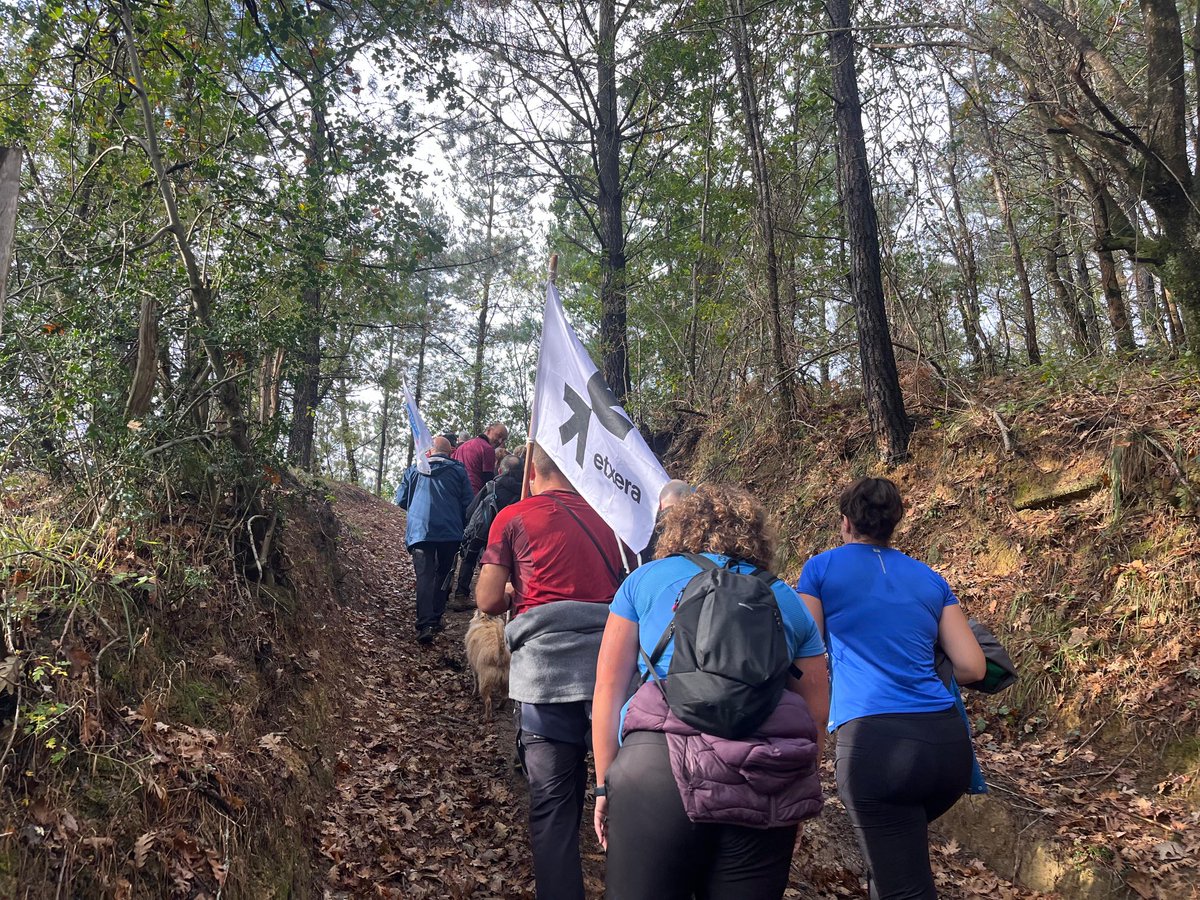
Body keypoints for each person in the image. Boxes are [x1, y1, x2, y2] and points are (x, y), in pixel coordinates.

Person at [592, 484, 830, 900]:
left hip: (655, 768)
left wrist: (603, 784)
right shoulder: (786, 599)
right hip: (761, 778)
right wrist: (793, 796)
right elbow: (815, 716)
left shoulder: (644, 580)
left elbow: (608, 689)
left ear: (679, 528)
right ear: (757, 537)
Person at [796, 477, 985, 900]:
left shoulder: (821, 569)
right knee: (893, 866)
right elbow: (972, 667)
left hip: (876, 746)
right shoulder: (929, 578)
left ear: (846, 522)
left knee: (903, 885)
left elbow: (805, 651)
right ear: (895, 522)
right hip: (947, 747)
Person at [476, 444, 624, 900]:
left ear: (532, 473)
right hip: (611, 673)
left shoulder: (513, 517)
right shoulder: (613, 520)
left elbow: (487, 601)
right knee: (625, 801)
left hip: (545, 676)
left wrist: (510, 589)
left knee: (554, 807)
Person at [395, 435, 475, 644]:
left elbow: (401, 500)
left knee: (424, 577)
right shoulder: (458, 471)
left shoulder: (414, 470)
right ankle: (436, 617)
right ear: (450, 453)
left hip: (420, 532)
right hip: (450, 532)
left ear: (429, 452)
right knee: (443, 574)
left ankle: (424, 624)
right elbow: (468, 503)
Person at [449, 451, 524, 608]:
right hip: (512, 537)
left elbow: (471, 510)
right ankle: (508, 597)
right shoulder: (525, 493)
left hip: (484, 533)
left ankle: (461, 595)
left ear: (500, 470)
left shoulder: (492, 486)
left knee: (470, 557)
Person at [453, 422, 509, 495]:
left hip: (456, 491)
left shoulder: (462, 447)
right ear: (489, 430)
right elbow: (488, 481)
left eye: (503, 439)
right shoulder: (487, 449)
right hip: (473, 494)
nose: (500, 441)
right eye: (499, 436)